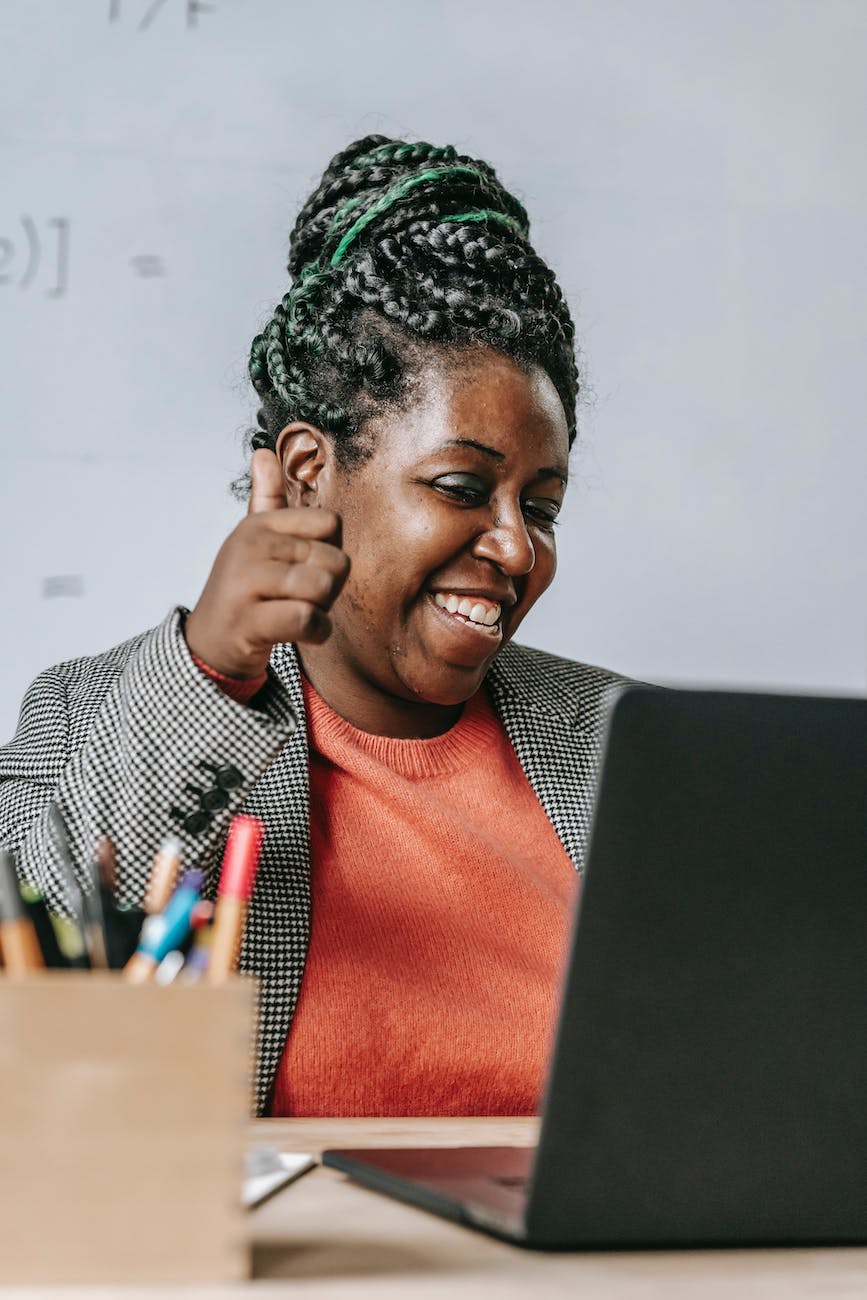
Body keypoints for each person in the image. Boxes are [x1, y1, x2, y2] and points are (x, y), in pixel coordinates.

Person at [0, 135, 628, 1117]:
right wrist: (205, 672)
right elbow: (26, 976)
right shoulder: (94, 714)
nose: (516, 548)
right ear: (305, 475)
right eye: (462, 487)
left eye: (540, 506)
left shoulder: (622, 741)